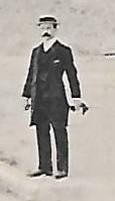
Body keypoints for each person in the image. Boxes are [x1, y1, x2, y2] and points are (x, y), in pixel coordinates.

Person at [22, 15, 83, 179]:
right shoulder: (36, 51)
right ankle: (44, 166)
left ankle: (62, 168)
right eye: (43, 28)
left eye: (49, 28)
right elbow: (31, 74)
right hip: (39, 98)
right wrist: (26, 95)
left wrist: (76, 97)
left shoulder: (63, 51)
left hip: (56, 98)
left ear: (55, 29)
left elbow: (72, 74)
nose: (46, 31)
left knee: (59, 131)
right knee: (41, 131)